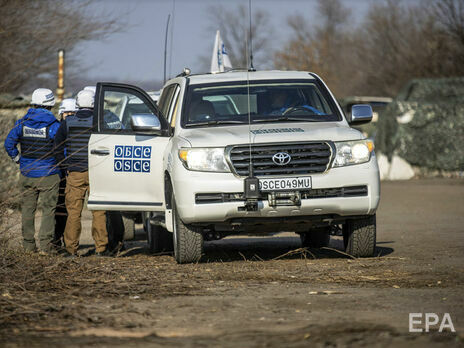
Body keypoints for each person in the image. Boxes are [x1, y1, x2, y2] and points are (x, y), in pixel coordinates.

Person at [4, 88, 61, 255]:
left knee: (28, 210)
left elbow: (9, 144)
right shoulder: (54, 125)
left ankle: (29, 247)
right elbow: (61, 150)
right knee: (49, 210)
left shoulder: (22, 123)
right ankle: (46, 246)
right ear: (50, 105)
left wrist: (19, 160)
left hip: (27, 173)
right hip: (49, 174)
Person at [54, 89, 110, 257]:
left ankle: (71, 249)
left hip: (74, 173)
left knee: (73, 213)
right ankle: (101, 248)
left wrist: (65, 166)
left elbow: (57, 147)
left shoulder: (68, 122)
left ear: (77, 103)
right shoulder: (99, 122)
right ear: (94, 104)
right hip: (96, 173)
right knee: (99, 212)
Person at [53, 98, 77, 249]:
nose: (68, 115)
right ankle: (56, 240)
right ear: (61, 113)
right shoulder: (56, 128)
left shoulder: (75, 128)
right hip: (60, 173)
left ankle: (65, 240)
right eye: (66, 112)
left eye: (71, 112)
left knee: (70, 210)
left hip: (71, 172)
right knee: (59, 209)